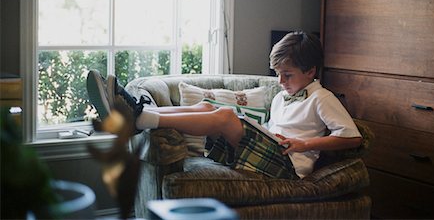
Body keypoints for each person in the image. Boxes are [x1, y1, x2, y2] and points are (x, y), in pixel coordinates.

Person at [86, 31, 362, 179]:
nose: (280, 81)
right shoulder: (281, 97)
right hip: (268, 147)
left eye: (287, 75)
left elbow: (351, 137)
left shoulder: (321, 97)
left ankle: (140, 118)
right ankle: (139, 112)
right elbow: (273, 127)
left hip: (289, 164)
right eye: (277, 74)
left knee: (226, 115)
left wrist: (304, 145)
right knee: (208, 107)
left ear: (311, 71)